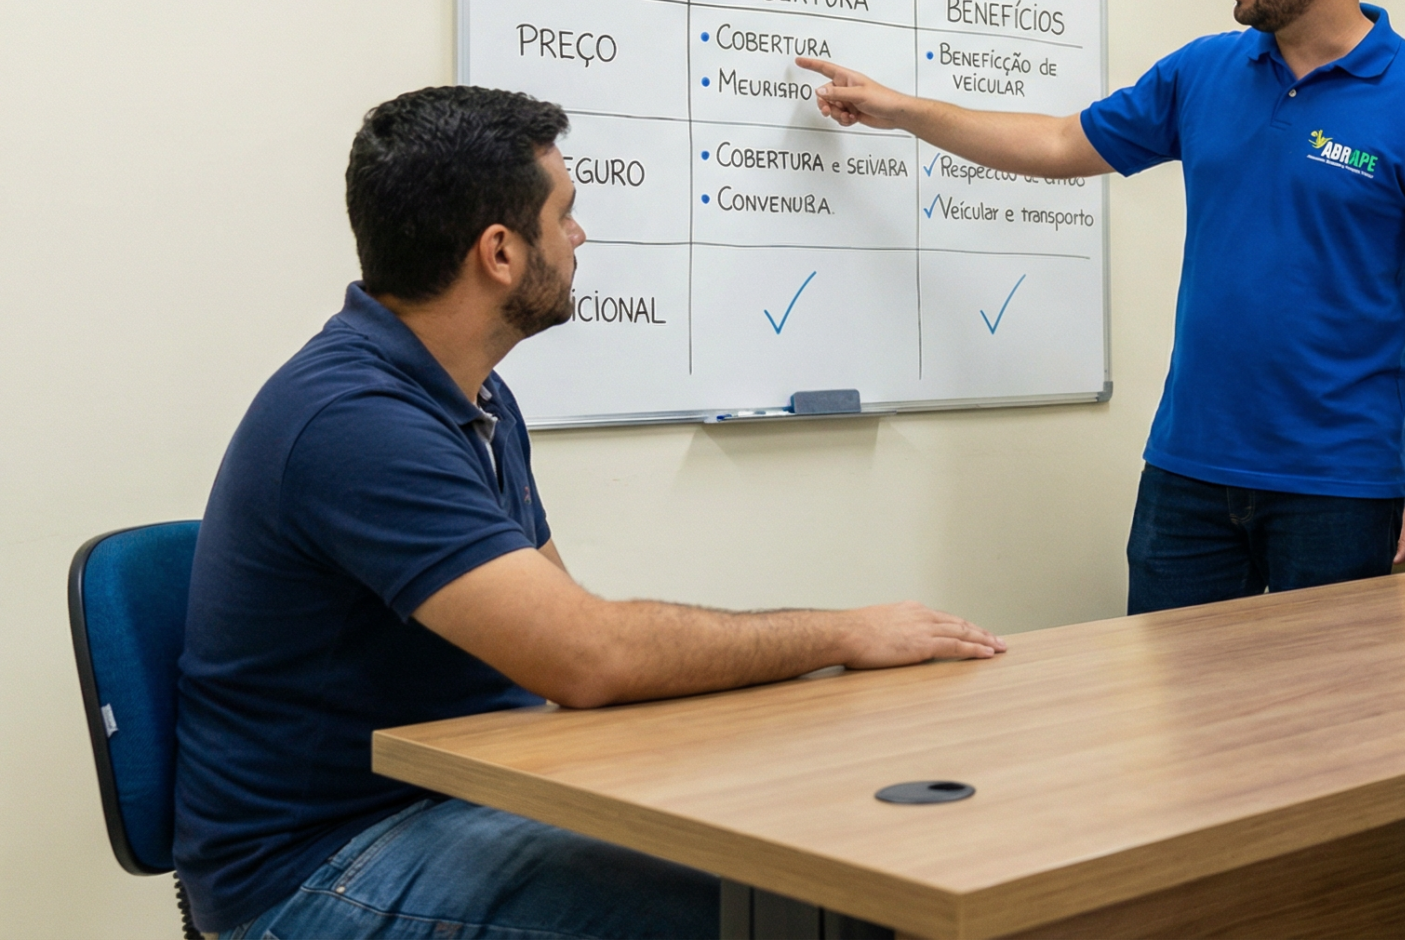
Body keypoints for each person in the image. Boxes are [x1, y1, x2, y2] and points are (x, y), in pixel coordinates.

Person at [177, 87, 1004, 940]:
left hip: (477, 792)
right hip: (318, 871)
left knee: (827, 875)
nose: (579, 235)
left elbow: (559, 639)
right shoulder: (354, 419)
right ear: (499, 252)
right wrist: (843, 634)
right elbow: (586, 658)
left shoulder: (473, 393)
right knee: (800, 919)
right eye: (564, 213)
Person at [796, 0, 1405, 611]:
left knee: (1323, 726)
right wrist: (901, 111)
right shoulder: (1203, 72)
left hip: (1338, 486)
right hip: (1189, 472)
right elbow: (1061, 143)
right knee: (1174, 720)